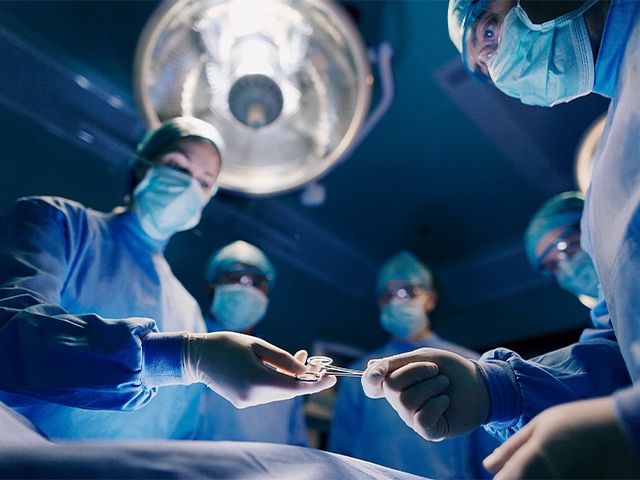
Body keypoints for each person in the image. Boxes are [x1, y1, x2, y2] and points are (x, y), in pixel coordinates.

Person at [360, 2, 640, 477]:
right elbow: (620, 350)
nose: (500, 66)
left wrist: (628, 427)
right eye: (485, 68)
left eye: (488, 31)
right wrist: (496, 390)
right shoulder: (607, 188)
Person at [0, 116, 333, 441]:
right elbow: (10, 335)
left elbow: (180, 436)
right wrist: (184, 357)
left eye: (204, 181)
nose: (189, 184)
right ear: (143, 164)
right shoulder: (59, 224)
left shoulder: (188, 312)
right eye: (178, 166)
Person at [328, 251, 499, 479]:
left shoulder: (471, 365)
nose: (397, 300)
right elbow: (340, 455)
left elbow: (490, 458)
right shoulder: (360, 374)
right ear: (379, 304)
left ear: (430, 299)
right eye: (387, 295)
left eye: (408, 292)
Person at [192, 240, 309, 446]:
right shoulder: (186, 347)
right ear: (211, 288)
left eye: (256, 282)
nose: (246, 287)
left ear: (267, 294)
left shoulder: (284, 366)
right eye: (234, 278)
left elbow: (297, 444)